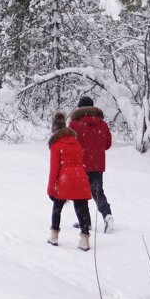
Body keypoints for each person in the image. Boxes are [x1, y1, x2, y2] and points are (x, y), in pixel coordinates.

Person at [47, 111, 92, 251]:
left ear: (54, 128)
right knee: (81, 209)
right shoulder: (75, 142)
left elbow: (54, 169)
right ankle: (85, 239)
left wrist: (50, 189)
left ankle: (54, 236)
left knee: (57, 207)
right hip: (80, 176)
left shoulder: (56, 145)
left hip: (65, 179)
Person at [69, 96, 114, 232]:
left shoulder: (74, 124)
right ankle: (107, 216)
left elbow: (70, 144)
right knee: (97, 192)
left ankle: (85, 222)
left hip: (80, 164)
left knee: (80, 194)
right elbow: (107, 144)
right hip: (97, 164)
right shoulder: (102, 124)